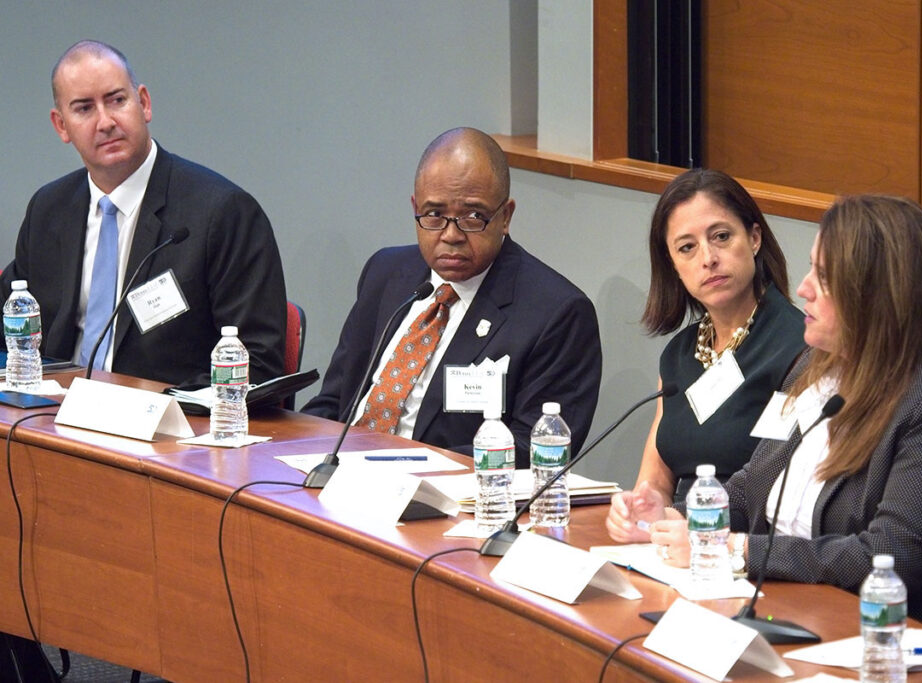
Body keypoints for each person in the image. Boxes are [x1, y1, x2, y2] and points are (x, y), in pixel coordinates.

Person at [641, 195, 922, 660]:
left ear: (879, 293)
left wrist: (736, 550)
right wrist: (682, 521)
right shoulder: (815, 364)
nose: (803, 288)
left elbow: (888, 557)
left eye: (824, 278)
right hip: (812, 616)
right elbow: (752, 487)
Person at [303, 128, 601, 467]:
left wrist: (400, 470)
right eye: (434, 215)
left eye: (473, 217)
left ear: (505, 217)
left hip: (447, 499)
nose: (451, 235)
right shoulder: (386, 273)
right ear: (415, 208)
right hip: (340, 479)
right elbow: (334, 401)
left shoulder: (556, 312)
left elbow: (533, 451)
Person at [0, 40, 286, 385]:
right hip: (52, 414)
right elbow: (9, 324)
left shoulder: (222, 213)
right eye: (84, 109)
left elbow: (258, 360)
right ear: (61, 125)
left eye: (116, 100)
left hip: (164, 423)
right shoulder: (49, 208)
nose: (105, 122)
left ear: (144, 103)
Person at [606, 169, 805, 543]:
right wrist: (639, 509)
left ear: (755, 238)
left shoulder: (797, 347)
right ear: (673, 266)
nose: (708, 258)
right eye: (687, 247)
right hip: (679, 541)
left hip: (750, 548)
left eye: (721, 237)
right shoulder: (679, 354)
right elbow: (657, 481)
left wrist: (686, 524)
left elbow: (771, 486)